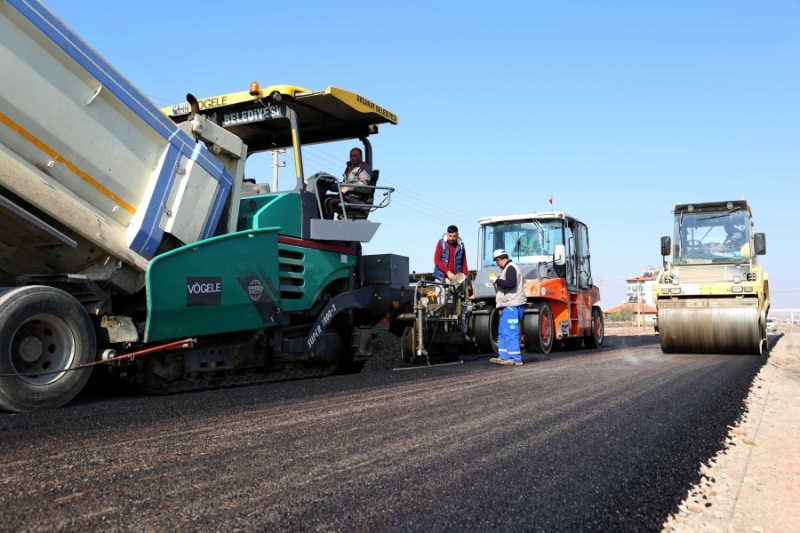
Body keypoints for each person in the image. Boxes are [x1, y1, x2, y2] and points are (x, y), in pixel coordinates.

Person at [490, 249, 526, 366]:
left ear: (499, 259)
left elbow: (511, 284)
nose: (497, 264)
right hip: (508, 306)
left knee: (511, 331)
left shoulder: (510, 268)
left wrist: (497, 280)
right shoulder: (507, 269)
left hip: (512, 305)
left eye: (496, 261)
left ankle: (515, 358)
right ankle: (504, 356)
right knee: (503, 331)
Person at [323, 147, 372, 219]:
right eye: (351, 156)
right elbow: (344, 185)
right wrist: (329, 185)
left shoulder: (364, 167)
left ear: (361, 157)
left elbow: (363, 185)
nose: (353, 158)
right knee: (322, 198)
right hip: (344, 195)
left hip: (354, 197)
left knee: (329, 202)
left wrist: (348, 188)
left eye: (355, 156)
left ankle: (327, 226)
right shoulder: (350, 168)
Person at [432, 225, 468, 304]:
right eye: (450, 236)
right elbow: (437, 260)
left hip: (455, 279)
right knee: (442, 304)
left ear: (457, 235)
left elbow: (464, 263)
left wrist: (466, 278)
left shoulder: (461, 246)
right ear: (447, 234)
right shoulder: (441, 244)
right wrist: (448, 272)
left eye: (454, 236)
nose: (452, 238)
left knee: (455, 303)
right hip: (441, 278)